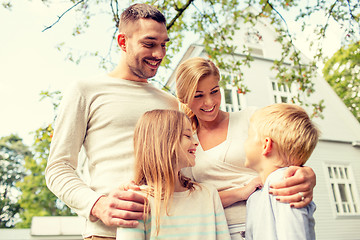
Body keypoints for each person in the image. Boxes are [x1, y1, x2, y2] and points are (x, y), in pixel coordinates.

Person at [45, 4, 178, 239]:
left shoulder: (171, 103)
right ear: (123, 42)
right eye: (149, 44)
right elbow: (58, 168)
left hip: (168, 231)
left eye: (164, 44)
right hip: (108, 234)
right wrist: (98, 205)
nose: (159, 54)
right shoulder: (86, 91)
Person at [175, 57, 317, 239]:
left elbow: (290, 148)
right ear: (184, 98)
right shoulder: (187, 143)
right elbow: (192, 200)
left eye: (214, 91)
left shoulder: (250, 118)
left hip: (269, 220)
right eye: (198, 95)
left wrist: (306, 172)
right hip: (220, 231)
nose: (210, 102)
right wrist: (240, 193)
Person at [116, 109, 231, 239]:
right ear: (163, 141)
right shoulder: (136, 202)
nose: (196, 142)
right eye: (188, 136)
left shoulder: (209, 194)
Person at [244, 103, 319, 240]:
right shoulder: (256, 196)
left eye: (249, 136)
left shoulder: (284, 184)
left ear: (266, 145)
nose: (245, 142)